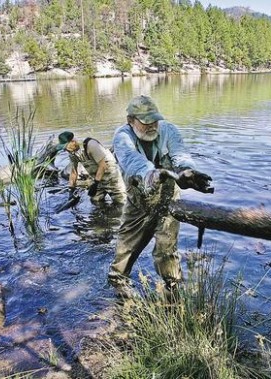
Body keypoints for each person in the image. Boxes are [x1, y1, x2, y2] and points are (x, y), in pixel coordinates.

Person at [107, 95, 213, 298]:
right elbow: (134, 162)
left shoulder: (169, 130)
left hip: (168, 198)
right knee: (127, 245)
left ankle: (172, 287)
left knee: (167, 248)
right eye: (145, 122)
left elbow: (180, 154)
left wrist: (187, 171)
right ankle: (118, 281)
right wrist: (153, 174)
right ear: (131, 120)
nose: (152, 126)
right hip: (138, 200)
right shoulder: (122, 137)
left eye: (154, 120)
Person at [56, 131, 127, 205]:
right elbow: (74, 172)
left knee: (121, 203)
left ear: (73, 141)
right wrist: (71, 190)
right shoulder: (72, 153)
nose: (65, 150)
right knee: (95, 201)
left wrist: (95, 184)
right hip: (98, 179)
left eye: (66, 147)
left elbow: (103, 166)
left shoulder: (91, 145)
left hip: (112, 178)